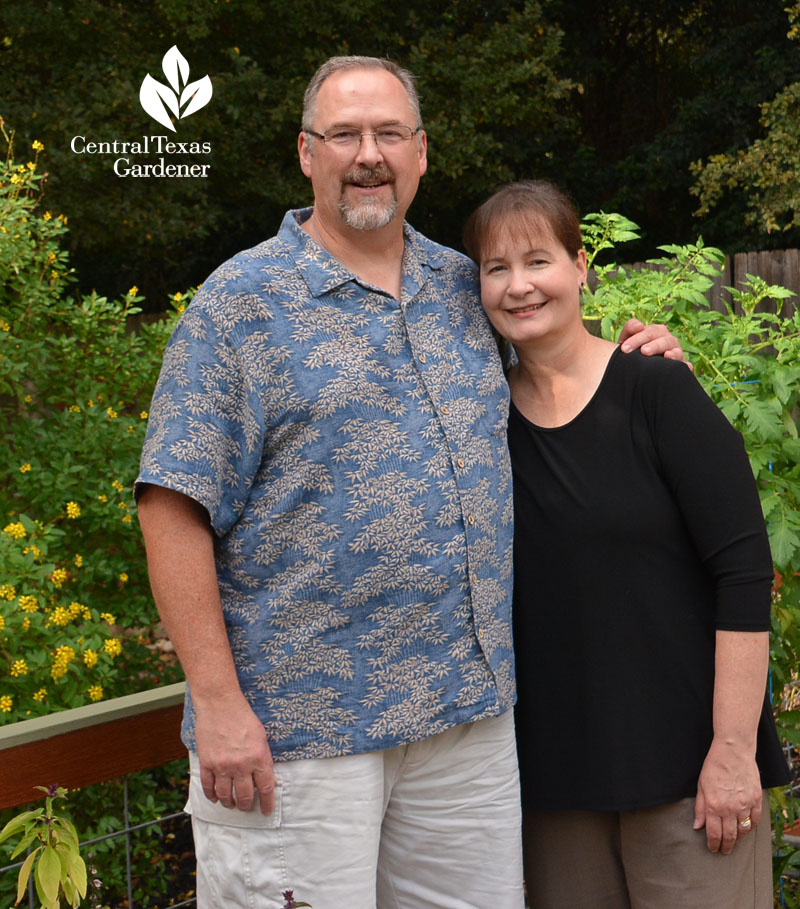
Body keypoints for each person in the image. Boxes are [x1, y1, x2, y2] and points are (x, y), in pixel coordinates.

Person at [136, 57, 683, 909]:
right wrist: (216, 702)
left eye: (389, 133)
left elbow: (563, 382)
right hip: (304, 733)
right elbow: (172, 505)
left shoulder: (466, 289)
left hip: (466, 723)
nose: (368, 154)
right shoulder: (238, 306)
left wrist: (643, 362)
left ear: (421, 154)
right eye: (344, 134)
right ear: (306, 153)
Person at [463, 179, 791, 909]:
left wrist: (733, 752)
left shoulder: (658, 392)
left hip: (691, 777)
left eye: (537, 260)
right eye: (496, 268)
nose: (519, 285)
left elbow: (743, 572)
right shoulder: (479, 423)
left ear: (582, 266)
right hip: (554, 787)